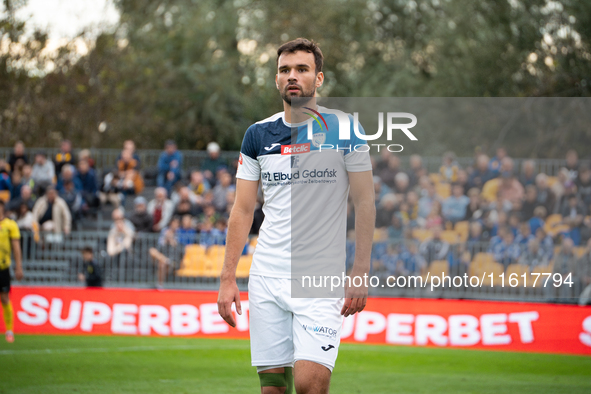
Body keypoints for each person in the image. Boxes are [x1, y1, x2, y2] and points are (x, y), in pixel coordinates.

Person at [217, 38, 374, 394]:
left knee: (309, 386)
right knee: (273, 388)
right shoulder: (257, 135)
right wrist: (228, 277)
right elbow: (243, 209)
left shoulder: (344, 130)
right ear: (276, 79)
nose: (293, 76)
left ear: (318, 79)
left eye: (302, 69)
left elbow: (365, 202)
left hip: (320, 280)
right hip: (267, 276)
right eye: (285, 70)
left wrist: (360, 271)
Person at [0, 200, 23, 343]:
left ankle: (9, 331)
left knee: (4, 298)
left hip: (3, 268)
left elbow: (16, 247)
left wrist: (18, 266)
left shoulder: (10, 225)